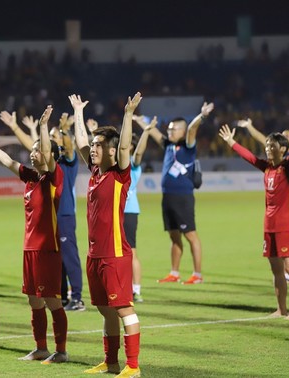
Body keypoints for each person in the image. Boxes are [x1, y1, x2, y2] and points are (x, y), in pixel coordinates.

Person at [0, 106, 69, 363]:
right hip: (29, 248)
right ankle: (41, 348)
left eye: (38, 149)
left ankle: (61, 351)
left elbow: (48, 153)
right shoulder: (30, 178)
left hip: (47, 248)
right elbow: (6, 160)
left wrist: (43, 127)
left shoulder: (53, 177)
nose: (33, 152)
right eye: (33, 148)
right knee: (34, 301)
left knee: (52, 301)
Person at [70, 92, 142, 377]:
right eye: (95, 144)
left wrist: (127, 115)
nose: (94, 149)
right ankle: (111, 362)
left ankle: (133, 366)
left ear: (111, 151)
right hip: (94, 254)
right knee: (105, 309)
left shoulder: (119, 174)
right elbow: (80, 143)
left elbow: (124, 147)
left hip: (114, 253)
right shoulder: (95, 172)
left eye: (99, 145)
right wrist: (77, 112)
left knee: (123, 308)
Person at [218, 122, 289, 320]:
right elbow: (251, 158)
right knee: (276, 269)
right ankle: (281, 309)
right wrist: (232, 143)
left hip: (287, 226)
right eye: (267, 145)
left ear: (282, 149)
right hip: (269, 226)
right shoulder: (267, 168)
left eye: (272, 145)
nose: (268, 148)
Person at [0, 110, 84, 311]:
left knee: (69, 257)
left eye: (54, 138)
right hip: (50, 216)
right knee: (58, 262)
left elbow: (64, 147)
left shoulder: (67, 162)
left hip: (63, 215)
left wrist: (63, 129)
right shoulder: (41, 170)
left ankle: (77, 297)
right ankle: (62, 296)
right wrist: (15, 127)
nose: (48, 141)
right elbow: (33, 147)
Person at [144, 102, 214, 285]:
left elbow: (192, 129)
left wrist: (202, 116)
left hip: (183, 198)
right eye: (169, 129)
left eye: (174, 130)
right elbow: (154, 133)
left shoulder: (188, 146)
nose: (170, 132)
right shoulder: (168, 146)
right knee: (174, 236)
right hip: (167, 197)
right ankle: (174, 273)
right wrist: (137, 120)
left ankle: (197, 275)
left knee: (190, 235)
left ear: (182, 132)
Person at [237, 119, 289, 285]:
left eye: (286, 136)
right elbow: (259, 148)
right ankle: (284, 290)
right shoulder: (271, 163)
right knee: (283, 251)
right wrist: (249, 127)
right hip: (275, 213)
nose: (281, 136)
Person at [125, 116, 158, 302]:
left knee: (131, 252)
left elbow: (138, 154)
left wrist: (145, 132)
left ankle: (136, 290)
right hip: (113, 211)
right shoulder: (116, 163)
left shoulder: (133, 164)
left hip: (128, 211)